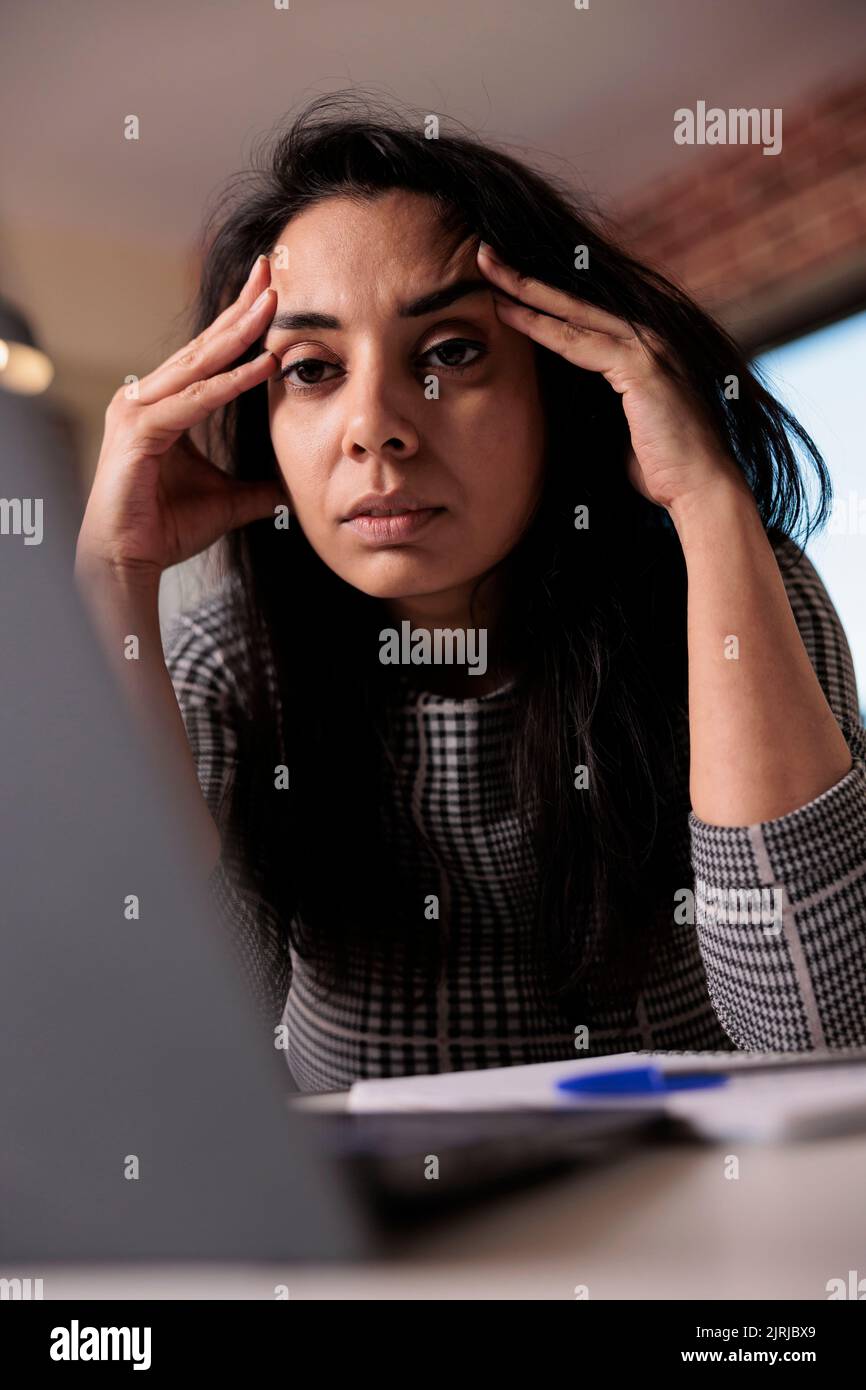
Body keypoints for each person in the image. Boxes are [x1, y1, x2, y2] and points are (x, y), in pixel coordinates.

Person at [75, 94, 866, 1092]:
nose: (374, 427)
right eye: (311, 368)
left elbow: (820, 1033)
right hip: (399, 1245)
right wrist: (111, 579)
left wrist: (707, 499)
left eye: (449, 352)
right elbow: (160, 1063)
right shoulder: (230, 665)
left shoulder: (731, 596)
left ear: (558, 380)